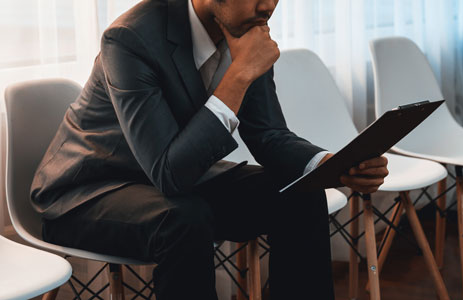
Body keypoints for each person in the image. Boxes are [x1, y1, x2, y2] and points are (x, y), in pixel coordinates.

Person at [30, 0, 389, 299]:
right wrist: (240, 74)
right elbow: (170, 175)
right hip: (89, 191)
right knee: (185, 218)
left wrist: (330, 165)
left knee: (298, 192)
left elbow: (269, 135)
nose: (268, 6)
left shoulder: (248, 28)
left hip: (169, 182)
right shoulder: (129, 39)